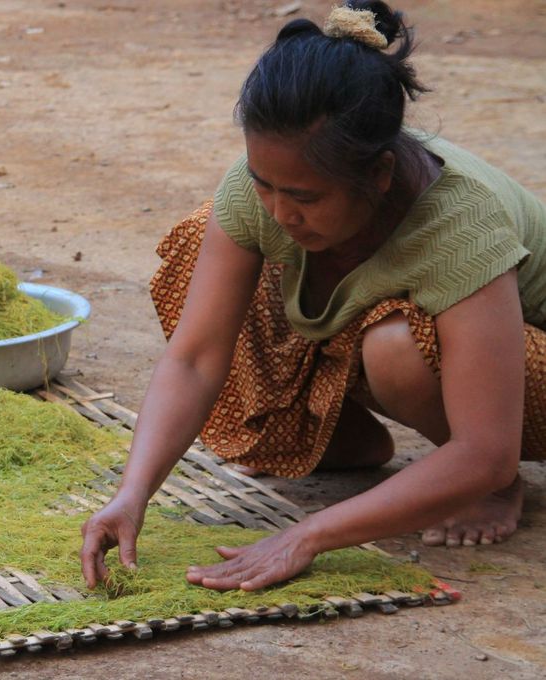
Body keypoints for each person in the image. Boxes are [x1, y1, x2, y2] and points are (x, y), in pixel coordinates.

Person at [80, 0, 546, 593]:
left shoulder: (461, 228)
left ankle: (494, 494)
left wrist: (306, 534)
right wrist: (132, 493)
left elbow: (486, 448)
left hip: (523, 381)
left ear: (379, 175)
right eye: (263, 182)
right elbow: (196, 358)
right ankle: (339, 439)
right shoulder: (271, 193)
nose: (280, 210)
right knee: (210, 236)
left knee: (396, 348)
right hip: (456, 357)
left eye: (304, 195)